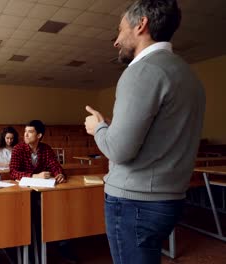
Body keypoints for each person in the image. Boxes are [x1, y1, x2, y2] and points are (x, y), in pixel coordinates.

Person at [84, 1, 205, 263]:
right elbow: (159, 133)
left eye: (120, 29)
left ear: (141, 24)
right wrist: (114, 125)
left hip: (135, 203)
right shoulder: (188, 75)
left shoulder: (141, 71)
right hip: (169, 199)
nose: (116, 41)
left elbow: (119, 150)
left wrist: (98, 128)